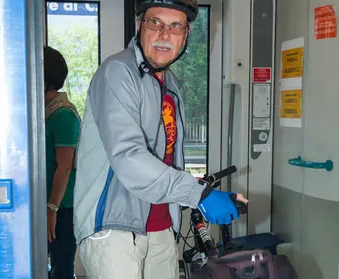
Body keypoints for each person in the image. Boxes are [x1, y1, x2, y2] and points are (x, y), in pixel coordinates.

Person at [72, 0, 248, 278]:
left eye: (176, 26)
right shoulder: (118, 71)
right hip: (115, 228)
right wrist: (198, 195)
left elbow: (165, 157)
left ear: (186, 34)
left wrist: (203, 191)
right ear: (140, 26)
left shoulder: (170, 84)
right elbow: (129, 157)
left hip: (161, 227)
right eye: (156, 23)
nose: (165, 35)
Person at [44, 46, 80, 279]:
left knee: (62, 271)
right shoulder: (47, 112)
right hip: (50, 205)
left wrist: (51, 210)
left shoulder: (63, 115)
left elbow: (64, 167)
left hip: (63, 208)